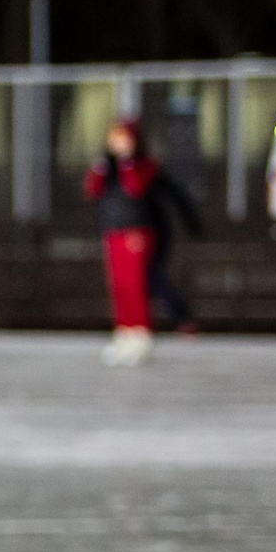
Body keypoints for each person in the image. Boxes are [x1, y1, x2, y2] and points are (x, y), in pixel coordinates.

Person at [84, 117, 161, 367]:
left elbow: (135, 188)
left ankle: (140, 335)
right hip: (113, 232)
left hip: (135, 233)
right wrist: (101, 166)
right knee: (118, 285)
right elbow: (92, 189)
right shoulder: (108, 166)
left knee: (134, 284)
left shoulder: (143, 164)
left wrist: (127, 161)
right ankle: (124, 332)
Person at [142, 159, 202, 337]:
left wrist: (193, 223)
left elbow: (177, 195)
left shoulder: (148, 171)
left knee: (151, 275)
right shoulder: (111, 168)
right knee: (147, 277)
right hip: (130, 230)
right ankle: (180, 317)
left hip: (153, 231)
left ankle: (182, 317)